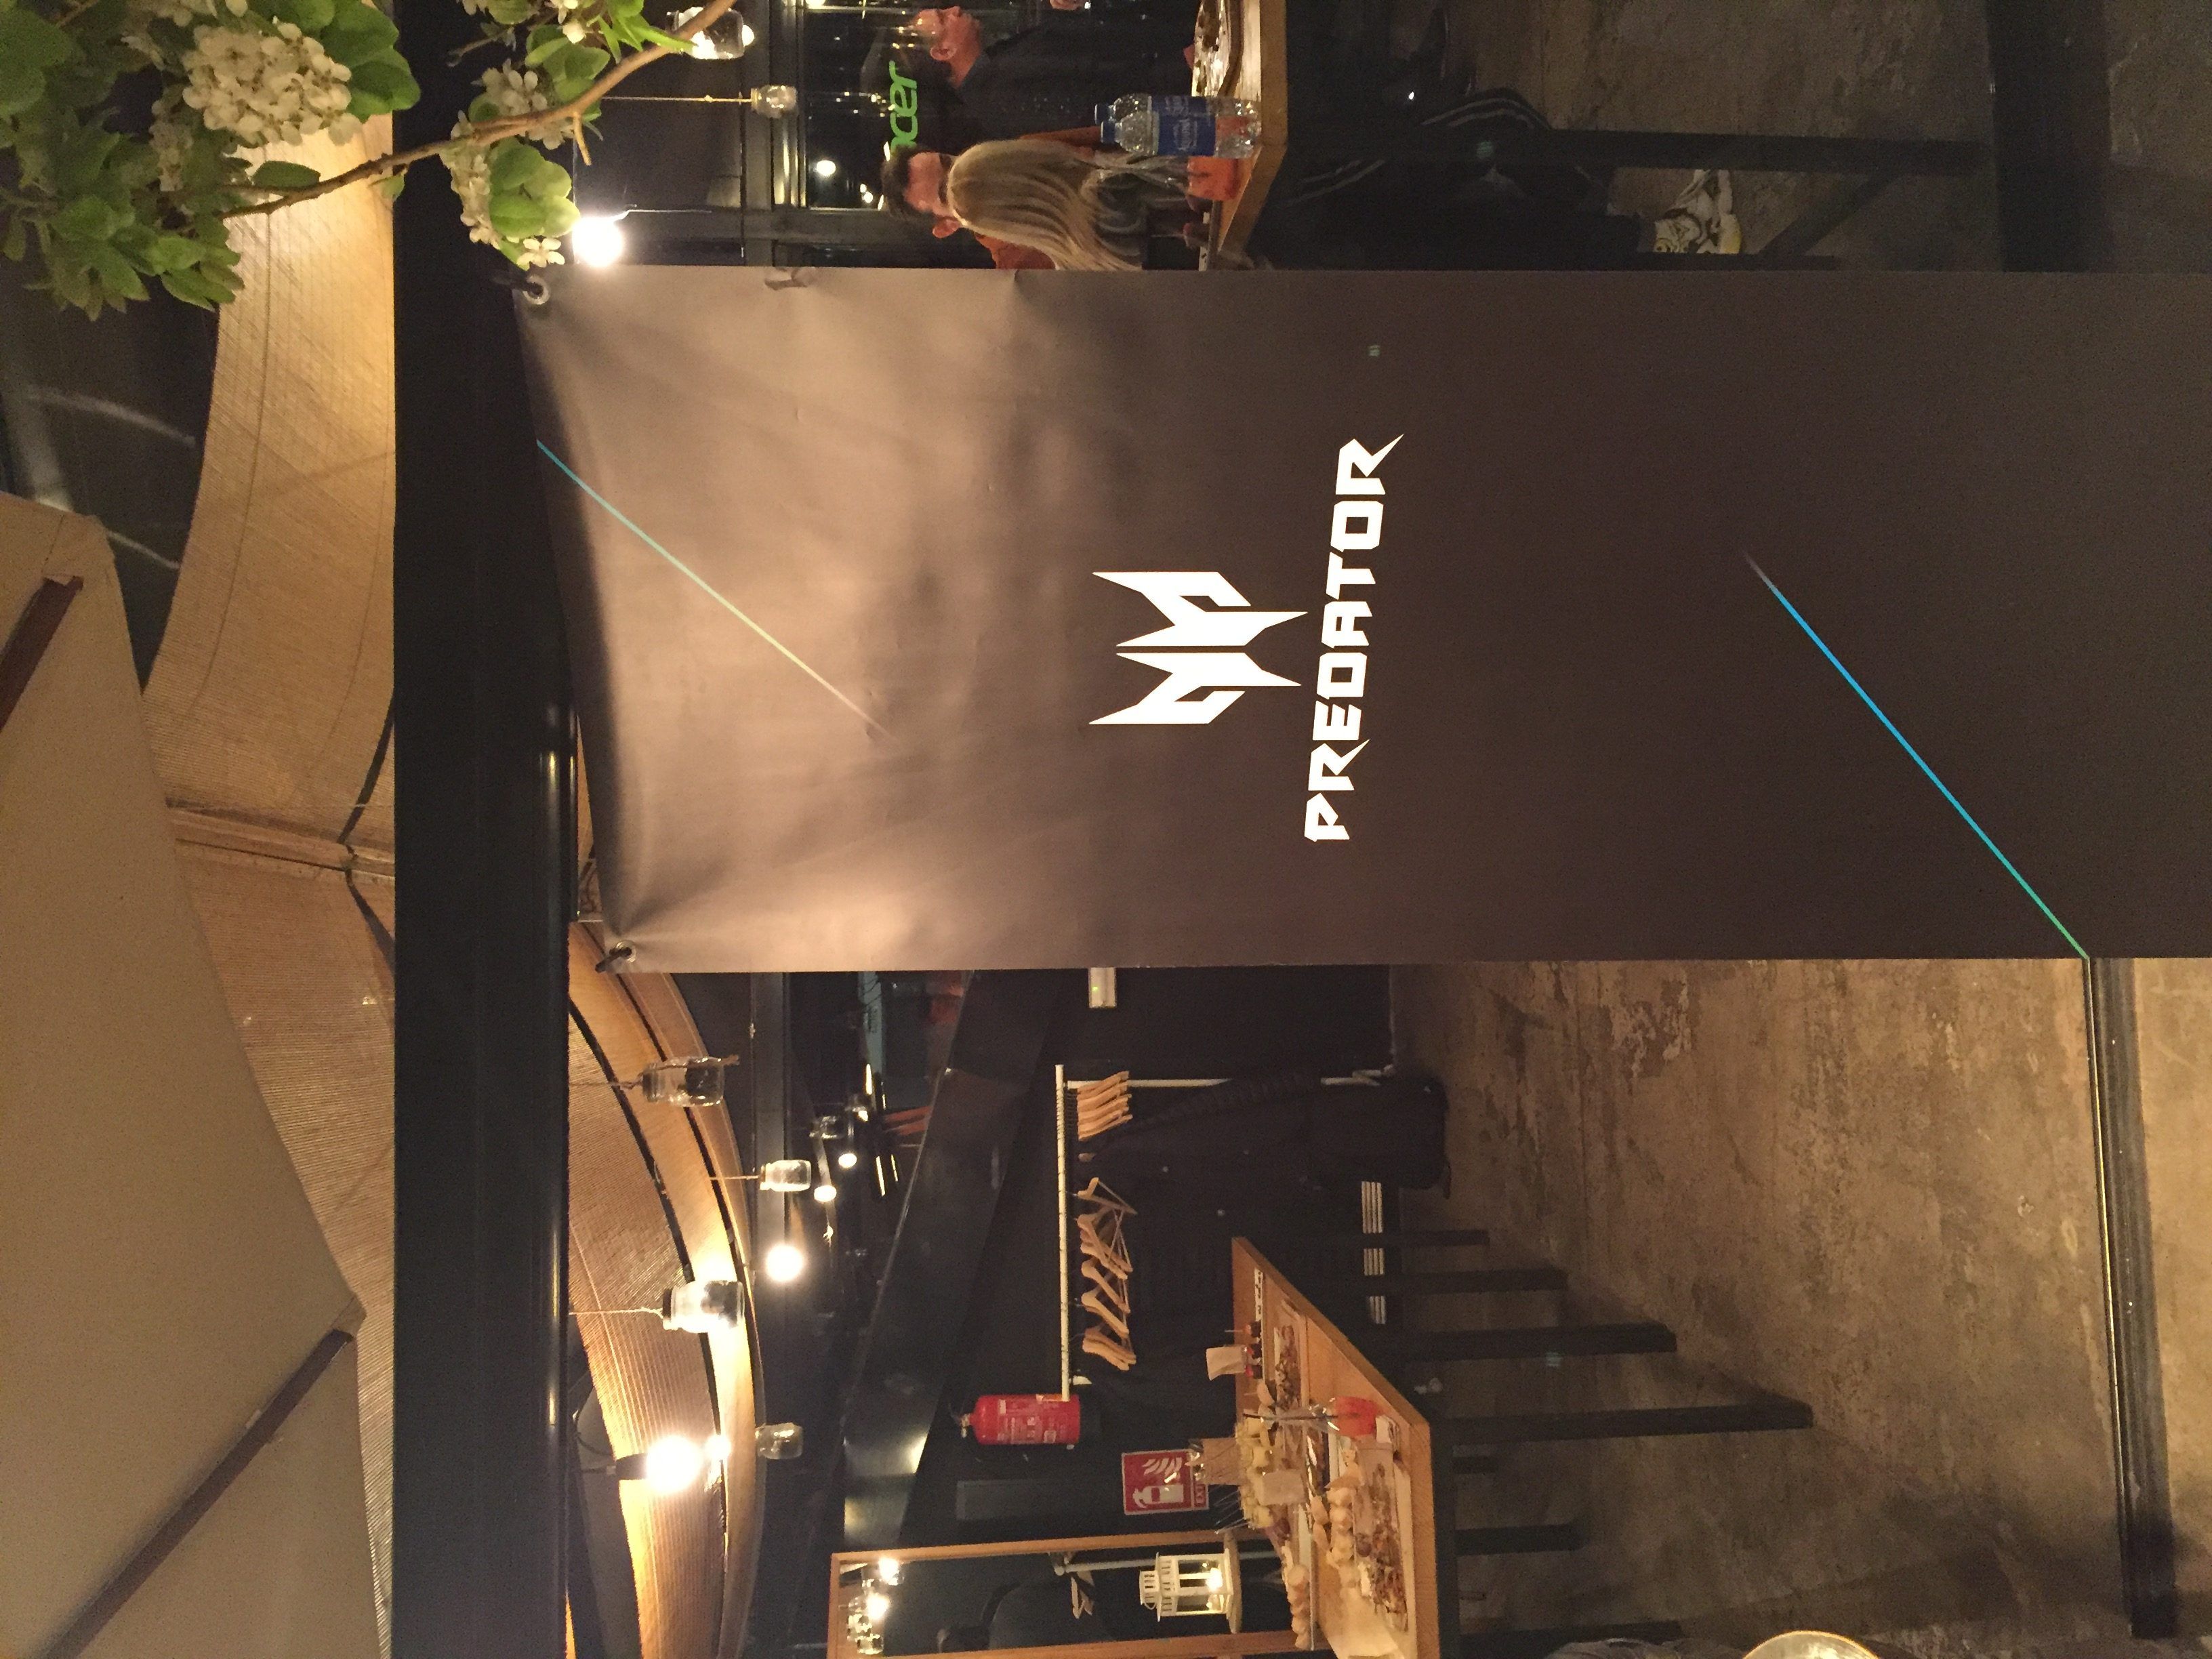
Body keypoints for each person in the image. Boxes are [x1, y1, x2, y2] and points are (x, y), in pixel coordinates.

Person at [884, 139, 1191, 270]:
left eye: (948, 162)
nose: (961, 177)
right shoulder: (1020, 274)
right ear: (947, 227)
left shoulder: (1030, 153)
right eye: (945, 192)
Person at [908, 4, 1193, 141]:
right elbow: (1094, 107)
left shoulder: (995, 64)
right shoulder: (998, 98)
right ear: (943, 52)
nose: (955, 9)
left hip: (1170, 69)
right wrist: (1176, 68)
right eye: (944, 17)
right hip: (1176, 95)